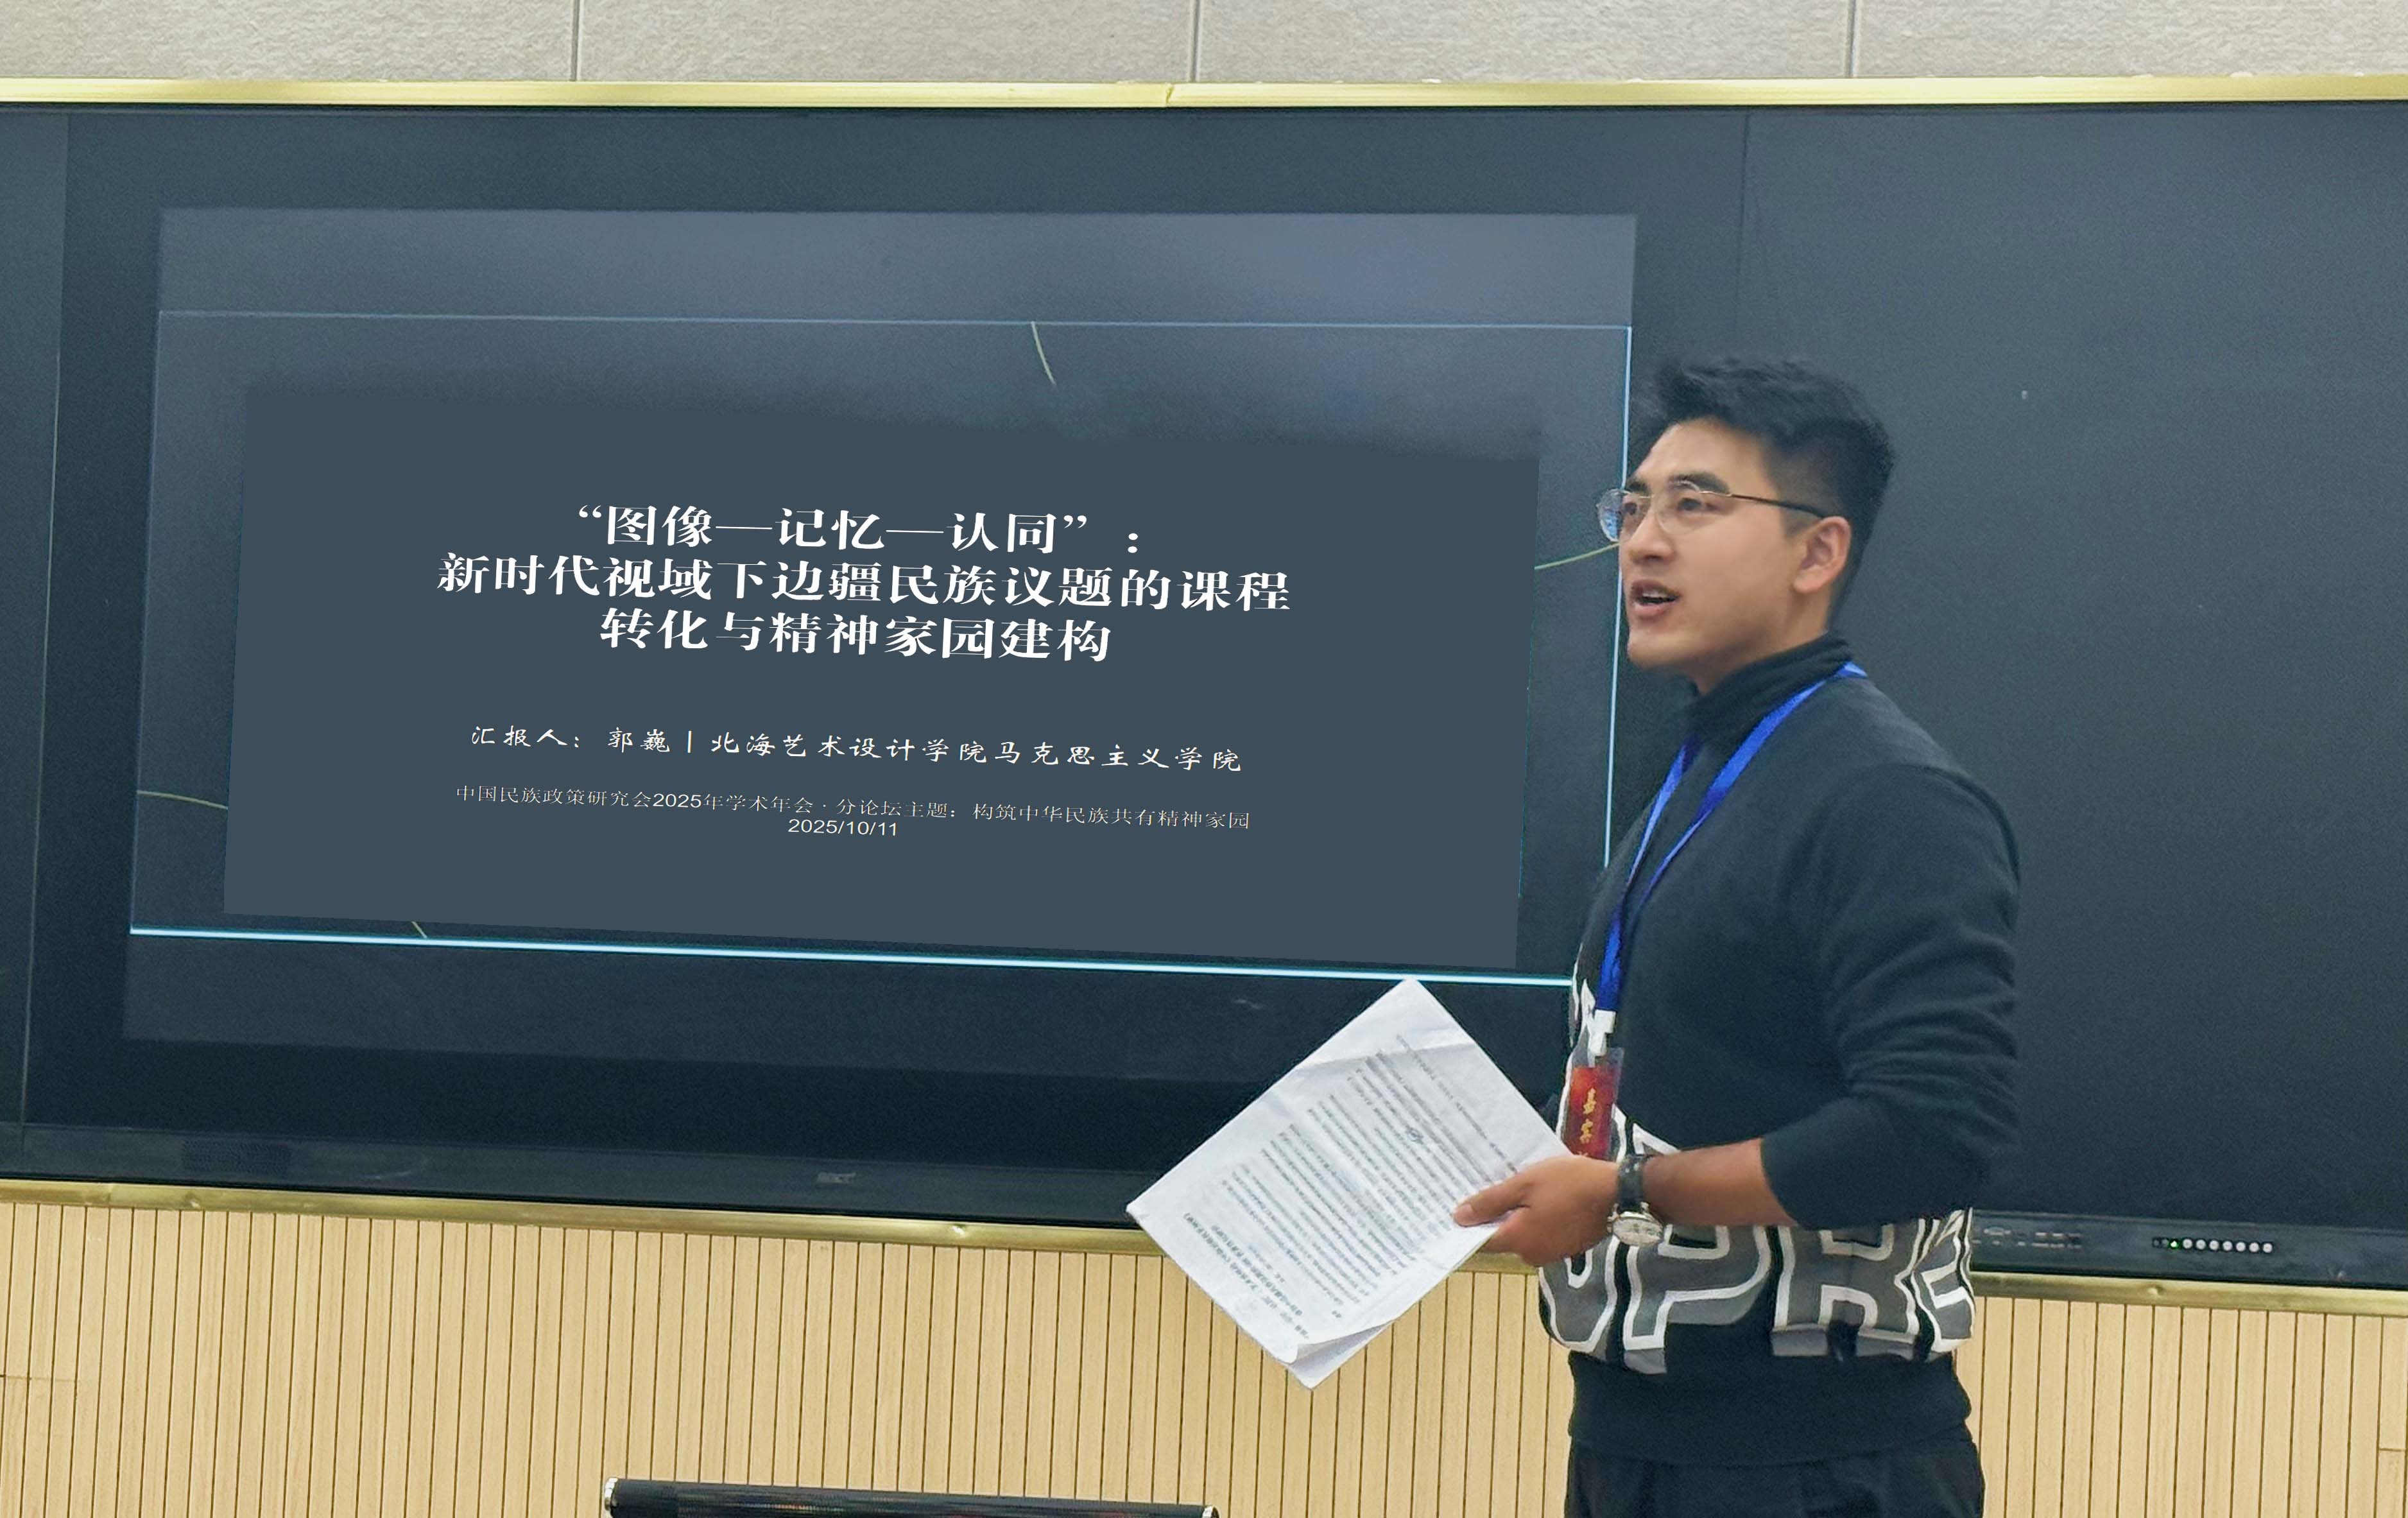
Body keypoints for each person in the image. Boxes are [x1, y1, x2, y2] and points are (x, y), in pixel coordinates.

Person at [1455, 357, 2018, 1517]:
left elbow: (1931, 1131)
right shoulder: (1704, 769)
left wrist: (1625, 1190)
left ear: (1819, 552)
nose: (1645, 541)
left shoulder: (1888, 796)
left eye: (1695, 504)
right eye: (1634, 506)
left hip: (1811, 1468)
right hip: (1633, 1438)